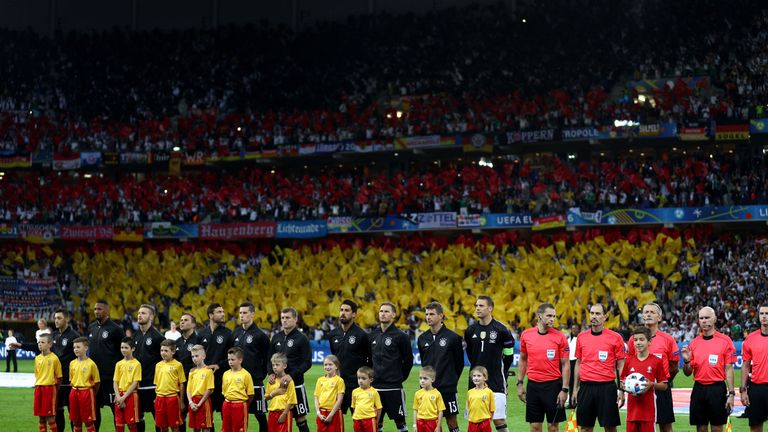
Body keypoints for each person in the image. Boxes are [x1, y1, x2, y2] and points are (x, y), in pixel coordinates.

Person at [571, 304, 626, 432]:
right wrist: (575, 389)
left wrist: (622, 390)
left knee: (610, 428)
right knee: (585, 428)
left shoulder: (615, 337)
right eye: (592, 313)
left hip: (607, 388)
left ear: (605, 316)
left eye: (597, 314)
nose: (594, 316)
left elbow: (621, 365)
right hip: (586, 388)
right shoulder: (581, 337)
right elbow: (578, 363)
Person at [682, 306, 736, 432]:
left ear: (714, 319)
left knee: (717, 428)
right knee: (701, 428)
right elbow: (687, 372)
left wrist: (732, 394)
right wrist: (686, 361)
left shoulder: (725, 341)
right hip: (699, 389)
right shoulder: (694, 343)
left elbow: (728, 369)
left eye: (707, 317)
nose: (704, 321)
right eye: (701, 318)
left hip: (717, 389)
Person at [517, 303, 570, 432]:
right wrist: (519, 383)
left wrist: (564, 390)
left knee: (553, 427)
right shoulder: (526, 335)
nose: (552, 319)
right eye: (549, 316)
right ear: (539, 316)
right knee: (534, 427)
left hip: (553, 387)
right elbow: (523, 359)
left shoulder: (560, 337)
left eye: (554, 316)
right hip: (533, 387)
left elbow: (565, 364)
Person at [464, 296, 514, 432]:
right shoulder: (470, 331)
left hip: (496, 380)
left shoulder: (502, 330)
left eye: (481, 306)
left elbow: (509, 356)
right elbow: (470, 354)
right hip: (475, 382)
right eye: (476, 306)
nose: (477, 308)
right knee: (476, 419)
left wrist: (502, 372)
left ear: (490, 308)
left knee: (498, 419)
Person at [627, 303, 679, 432]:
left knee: (665, 426)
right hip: (639, 390)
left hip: (660, 389)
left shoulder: (668, 340)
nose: (648, 314)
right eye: (646, 312)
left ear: (659, 317)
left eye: (652, 312)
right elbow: (629, 363)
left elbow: (674, 366)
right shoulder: (634, 340)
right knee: (640, 426)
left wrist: (663, 381)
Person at [417, 302, 463, 432]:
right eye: (426, 314)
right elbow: (424, 364)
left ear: (441, 316)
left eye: (432, 314)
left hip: (447, 388)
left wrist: (451, 380)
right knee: (430, 421)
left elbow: (459, 364)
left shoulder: (453, 337)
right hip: (427, 388)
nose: (428, 317)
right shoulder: (422, 338)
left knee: (452, 421)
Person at [369, 302, 413, 432]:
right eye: (381, 311)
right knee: (376, 422)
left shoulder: (401, 336)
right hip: (375, 387)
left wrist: (399, 377)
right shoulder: (372, 335)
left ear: (394, 315)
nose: (383, 314)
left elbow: (408, 361)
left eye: (387, 311)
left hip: (393, 387)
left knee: (400, 423)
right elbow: (368, 358)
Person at [268, 307, 312, 432]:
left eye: (288, 318)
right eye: (282, 318)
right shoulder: (276, 338)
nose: (284, 320)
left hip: (296, 385)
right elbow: (268, 359)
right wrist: (270, 373)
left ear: (295, 319)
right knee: (278, 418)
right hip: (279, 386)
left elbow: (307, 362)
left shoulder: (302, 339)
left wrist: (291, 375)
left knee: (300, 420)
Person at [619, 327, 669, 432]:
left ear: (649, 342)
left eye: (642, 339)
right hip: (632, 412)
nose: (638, 343)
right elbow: (622, 380)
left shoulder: (656, 361)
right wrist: (623, 388)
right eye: (635, 340)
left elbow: (664, 385)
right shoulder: (628, 361)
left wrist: (651, 384)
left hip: (648, 412)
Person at [232, 302, 270, 432]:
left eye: (245, 313)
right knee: (240, 414)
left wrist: (260, 375)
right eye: (240, 313)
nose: (242, 315)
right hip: (237, 381)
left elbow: (267, 358)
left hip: (255, 381)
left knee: (260, 414)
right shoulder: (235, 334)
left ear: (252, 314)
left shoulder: (261, 335)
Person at [328, 300, 371, 414]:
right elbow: (334, 359)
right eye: (341, 310)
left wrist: (364, 379)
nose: (343, 313)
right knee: (335, 419)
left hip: (355, 385)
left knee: (359, 419)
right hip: (337, 383)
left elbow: (370, 360)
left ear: (354, 314)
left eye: (347, 310)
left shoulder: (362, 335)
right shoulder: (333, 334)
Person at [87, 300, 124, 431]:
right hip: (94, 378)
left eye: (100, 309)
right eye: (95, 309)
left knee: (116, 410)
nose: (96, 311)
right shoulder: (91, 327)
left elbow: (123, 352)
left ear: (107, 311)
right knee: (94, 410)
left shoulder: (116, 329)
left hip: (111, 378)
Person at [134, 304, 165, 432]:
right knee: (138, 417)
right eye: (139, 313)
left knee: (157, 418)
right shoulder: (135, 336)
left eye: (143, 313)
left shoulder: (158, 337)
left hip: (153, 385)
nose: (140, 315)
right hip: (137, 384)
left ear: (151, 317)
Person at [199, 303, 233, 419]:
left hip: (223, 380)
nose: (223, 314)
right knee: (207, 416)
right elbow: (196, 355)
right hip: (205, 380)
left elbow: (232, 357)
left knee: (226, 415)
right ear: (210, 315)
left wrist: (219, 365)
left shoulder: (228, 333)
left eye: (223, 311)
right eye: (219, 312)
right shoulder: (201, 334)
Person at [741, 304, 768, 432]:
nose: (764, 316)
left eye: (767, 314)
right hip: (757, 389)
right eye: (762, 314)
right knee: (756, 428)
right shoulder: (750, 339)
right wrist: (743, 390)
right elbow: (745, 366)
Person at [153, 339, 186, 432]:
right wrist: (156, 398)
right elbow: (157, 383)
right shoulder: (158, 365)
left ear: (173, 351)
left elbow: (181, 384)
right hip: (160, 398)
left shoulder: (178, 365)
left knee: (174, 426)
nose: (163, 353)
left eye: (166, 351)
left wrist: (182, 401)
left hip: (172, 398)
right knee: (162, 427)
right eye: (161, 350)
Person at [69, 336, 101, 432]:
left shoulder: (91, 364)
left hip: (86, 392)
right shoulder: (72, 363)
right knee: (75, 421)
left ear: (86, 348)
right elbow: (71, 380)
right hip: (74, 391)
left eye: (78, 347)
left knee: (88, 421)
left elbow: (97, 382)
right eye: (74, 347)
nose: (76, 349)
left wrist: (91, 393)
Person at [34, 333, 62, 432]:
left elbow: (59, 377)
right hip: (38, 389)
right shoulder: (37, 358)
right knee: (41, 417)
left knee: (50, 417)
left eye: (42, 342)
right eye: (38, 342)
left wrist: (54, 388)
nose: (40, 344)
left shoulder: (54, 358)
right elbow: (37, 374)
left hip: (49, 389)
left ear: (50, 344)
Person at [221, 347, 255, 432]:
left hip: (240, 405)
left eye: (233, 359)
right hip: (227, 404)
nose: (230, 362)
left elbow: (250, 394)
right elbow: (224, 391)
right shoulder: (225, 374)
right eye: (229, 359)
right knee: (226, 429)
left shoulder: (246, 375)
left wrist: (243, 403)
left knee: (239, 429)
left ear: (240, 360)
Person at [114, 336, 142, 432]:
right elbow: (115, 381)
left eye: (126, 347)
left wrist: (123, 397)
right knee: (119, 424)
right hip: (119, 396)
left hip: (130, 396)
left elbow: (135, 382)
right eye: (122, 347)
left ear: (133, 349)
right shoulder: (118, 364)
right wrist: (118, 396)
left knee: (131, 425)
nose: (123, 350)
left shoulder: (136, 364)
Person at [266, 353, 297, 432]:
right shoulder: (271, 380)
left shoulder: (288, 381)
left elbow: (292, 400)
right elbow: (265, 397)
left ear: (284, 366)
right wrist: (275, 393)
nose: (275, 367)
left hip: (284, 412)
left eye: (277, 365)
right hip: (272, 413)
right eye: (273, 365)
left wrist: (284, 414)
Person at [186, 345, 214, 432]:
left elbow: (209, 389)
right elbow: (188, 390)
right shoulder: (192, 372)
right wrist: (190, 402)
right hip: (193, 402)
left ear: (203, 356)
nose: (194, 358)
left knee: (205, 427)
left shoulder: (208, 371)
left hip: (203, 401)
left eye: (196, 356)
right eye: (192, 356)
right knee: (195, 427)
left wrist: (199, 403)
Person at [314, 355, 345, 432]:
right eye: (325, 365)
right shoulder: (320, 380)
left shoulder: (339, 380)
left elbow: (339, 399)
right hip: (321, 414)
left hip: (334, 413)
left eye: (330, 364)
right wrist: (318, 413)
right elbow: (316, 397)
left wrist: (331, 415)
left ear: (336, 366)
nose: (327, 367)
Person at [413, 366, 446, 432]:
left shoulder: (437, 394)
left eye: (425, 378)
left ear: (432, 380)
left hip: (432, 423)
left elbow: (441, 411)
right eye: (420, 378)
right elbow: (415, 410)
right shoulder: (417, 393)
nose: (422, 381)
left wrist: (438, 426)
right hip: (420, 422)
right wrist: (414, 425)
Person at [351, 367, 382, 432]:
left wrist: (376, 421)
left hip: (369, 420)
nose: (360, 381)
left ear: (371, 380)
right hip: (357, 420)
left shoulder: (374, 392)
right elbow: (354, 407)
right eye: (359, 378)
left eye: (363, 378)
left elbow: (379, 408)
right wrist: (355, 417)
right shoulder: (354, 391)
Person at [466, 366, 495, 432]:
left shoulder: (489, 392)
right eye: (474, 376)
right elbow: (468, 407)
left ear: (485, 378)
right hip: (472, 423)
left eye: (479, 376)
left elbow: (492, 409)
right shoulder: (470, 392)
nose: (476, 378)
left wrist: (489, 422)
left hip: (484, 423)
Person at [176, 312, 202, 377]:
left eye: (186, 320)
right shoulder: (176, 342)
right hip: (179, 379)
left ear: (193, 324)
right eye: (181, 320)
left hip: (194, 378)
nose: (182, 322)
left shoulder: (199, 340)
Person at [567, 324, 580, 408]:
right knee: (570, 383)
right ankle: (571, 403)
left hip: (576, 361)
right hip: (569, 362)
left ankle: (576, 402)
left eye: (575, 328)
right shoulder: (568, 340)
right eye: (572, 328)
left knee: (577, 383)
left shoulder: (580, 339)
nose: (574, 330)